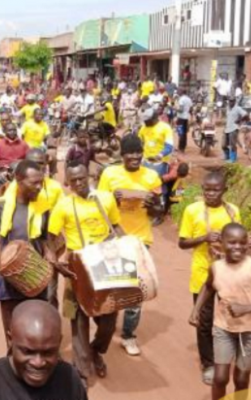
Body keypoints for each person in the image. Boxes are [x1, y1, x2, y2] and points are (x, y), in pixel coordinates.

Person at [48, 161, 123, 384]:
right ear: (68, 183)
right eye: (74, 181)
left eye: (82, 178)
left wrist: (127, 245)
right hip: (77, 264)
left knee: (109, 317)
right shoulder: (63, 206)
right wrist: (56, 260)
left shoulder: (106, 198)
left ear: (89, 176)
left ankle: (95, 350)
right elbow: (51, 237)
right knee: (78, 318)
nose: (79, 183)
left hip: (105, 262)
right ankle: (81, 369)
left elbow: (116, 226)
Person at [190, 223, 251, 400]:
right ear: (222, 243)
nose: (237, 247)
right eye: (232, 242)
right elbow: (208, 287)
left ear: (247, 243)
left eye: (242, 242)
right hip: (223, 327)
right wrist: (195, 310)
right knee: (220, 377)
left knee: (241, 378)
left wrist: (246, 308)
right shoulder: (216, 267)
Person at [97, 135, 164, 356]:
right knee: (113, 286)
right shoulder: (109, 174)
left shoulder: (152, 176)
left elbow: (159, 212)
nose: (135, 156)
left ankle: (128, 334)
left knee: (137, 288)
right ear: (122, 155)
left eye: (138, 152)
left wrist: (153, 205)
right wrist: (113, 202)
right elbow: (99, 208)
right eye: (130, 152)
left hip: (140, 239)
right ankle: (105, 326)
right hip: (113, 238)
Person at [178, 171, 244, 386]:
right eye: (207, 189)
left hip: (229, 274)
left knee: (230, 317)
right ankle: (208, 364)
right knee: (204, 322)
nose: (211, 194)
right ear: (202, 189)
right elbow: (183, 243)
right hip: (202, 274)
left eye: (216, 190)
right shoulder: (192, 211)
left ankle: (227, 355)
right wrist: (204, 238)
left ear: (224, 190)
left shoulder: (233, 211)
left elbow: (240, 241)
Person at [0, 300, 88, 400]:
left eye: (48, 352)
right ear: (10, 340)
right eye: (28, 351)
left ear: (59, 343)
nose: (38, 363)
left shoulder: (69, 379)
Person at [0, 161, 60, 334]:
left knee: (36, 329)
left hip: (35, 276)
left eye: (41, 182)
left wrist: (50, 254)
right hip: (9, 279)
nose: (39, 187)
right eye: (34, 183)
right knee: (12, 331)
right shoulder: (0, 207)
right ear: (18, 180)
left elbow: (45, 238)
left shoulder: (43, 208)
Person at [138, 108, 174, 178]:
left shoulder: (165, 128)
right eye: (144, 121)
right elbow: (139, 143)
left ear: (154, 118)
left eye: (147, 121)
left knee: (158, 183)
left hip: (160, 162)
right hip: (146, 161)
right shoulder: (143, 128)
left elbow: (169, 147)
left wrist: (160, 155)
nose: (145, 123)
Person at [223, 96, 248, 163]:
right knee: (223, 144)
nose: (230, 102)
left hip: (234, 128)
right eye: (230, 101)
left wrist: (239, 120)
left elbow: (246, 115)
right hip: (227, 128)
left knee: (232, 144)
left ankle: (233, 158)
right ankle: (227, 156)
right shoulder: (227, 108)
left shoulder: (238, 108)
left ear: (234, 102)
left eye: (232, 101)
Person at [175, 88, 193, 153]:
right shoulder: (189, 99)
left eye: (179, 91)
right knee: (184, 133)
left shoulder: (181, 99)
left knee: (180, 133)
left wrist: (175, 109)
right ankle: (183, 148)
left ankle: (180, 148)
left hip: (181, 118)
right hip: (186, 118)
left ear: (181, 92)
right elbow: (191, 109)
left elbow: (181, 110)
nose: (178, 92)